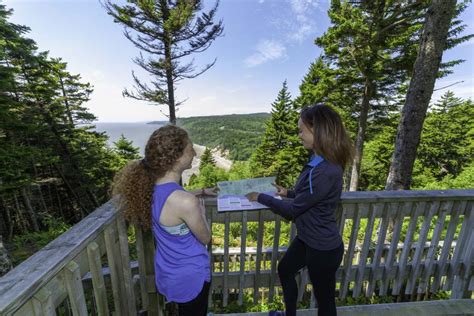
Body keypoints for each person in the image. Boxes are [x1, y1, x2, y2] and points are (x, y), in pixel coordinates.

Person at [246, 104, 354, 316]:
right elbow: (310, 197)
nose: (298, 135)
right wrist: (288, 192)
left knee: (325, 302)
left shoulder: (325, 170)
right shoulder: (319, 161)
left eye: (301, 130)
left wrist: (261, 197)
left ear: (317, 131)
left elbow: (294, 211)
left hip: (323, 249)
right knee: (285, 269)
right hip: (308, 239)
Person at [111, 125, 215, 316]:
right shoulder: (186, 202)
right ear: (176, 158)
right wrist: (201, 210)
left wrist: (199, 191)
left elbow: (171, 200)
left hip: (169, 271)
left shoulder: (149, 192)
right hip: (191, 276)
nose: (194, 153)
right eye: (190, 148)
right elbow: (205, 238)